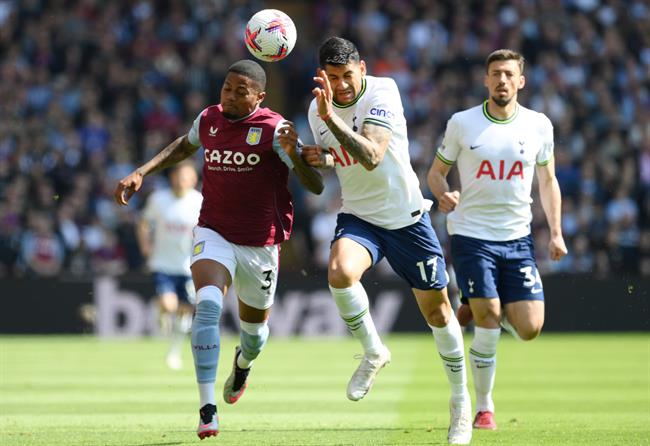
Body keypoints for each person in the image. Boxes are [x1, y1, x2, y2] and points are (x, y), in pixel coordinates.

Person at [114, 59, 323, 440]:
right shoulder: (209, 118)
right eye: (226, 88)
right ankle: (207, 409)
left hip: (260, 244)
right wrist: (143, 170)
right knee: (207, 306)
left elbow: (316, 186)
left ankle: (242, 364)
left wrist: (295, 155)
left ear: (259, 97)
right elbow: (184, 145)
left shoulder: (276, 129)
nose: (228, 96)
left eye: (239, 91)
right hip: (214, 233)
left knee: (255, 337)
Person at [301, 37, 472, 445]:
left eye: (347, 76)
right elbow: (337, 156)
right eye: (333, 77)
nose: (341, 86)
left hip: (406, 218)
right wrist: (313, 157)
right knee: (341, 271)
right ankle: (374, 351)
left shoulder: (383, 91)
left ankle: (461, 402)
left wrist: (332, 119)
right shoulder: (316, 109)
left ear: (361, 68)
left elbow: (373, 154)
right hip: (359, 216)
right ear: (321, 75)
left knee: (438, 313)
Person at [427, 49, 568, 431]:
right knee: (489, 318)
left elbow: (547, 181)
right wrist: (443, 193)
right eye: (495, 74)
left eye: (508, 74)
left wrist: (555, 232)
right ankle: (484, 407)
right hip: (471, 234)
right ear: (486, 81)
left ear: (520, 81)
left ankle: (476, 301)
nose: (502, 80)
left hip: (517, 238)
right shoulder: (463, 123)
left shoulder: (539, 125)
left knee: (529, 329)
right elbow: (436, 173)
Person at [136, 162, 202, 370]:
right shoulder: (158, 199)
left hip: (189, 265)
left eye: (187, 177)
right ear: (172, 177)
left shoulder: (199, 201)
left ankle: (174, 352)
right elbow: (143, 223)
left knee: (185, 313)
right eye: (179, 176)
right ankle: (162, 311)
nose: (182, 181)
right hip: (163, 263)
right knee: (168, 305)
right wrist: (145, 245)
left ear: (193, 179)